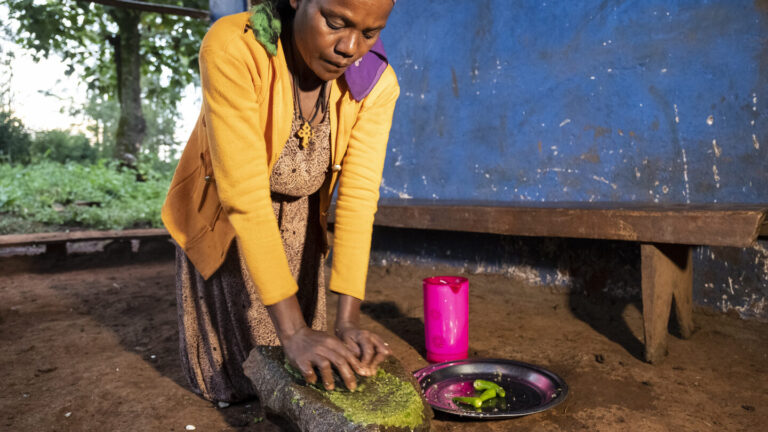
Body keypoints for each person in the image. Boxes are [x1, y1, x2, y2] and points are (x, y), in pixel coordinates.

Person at [161, 0, 399, 403]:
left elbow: (359, 198)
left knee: (307, 371)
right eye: (336, 23)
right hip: (230, 226)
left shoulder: (375, 82)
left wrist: (347, 321)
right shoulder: (234, 48)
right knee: (237, 381)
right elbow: (244, 195)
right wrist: (292, 330)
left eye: (370, 33)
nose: (350, 47)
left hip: (301, 229)